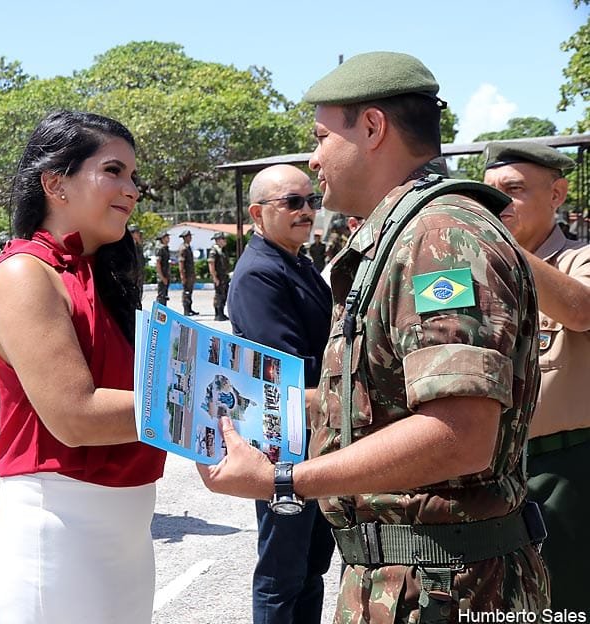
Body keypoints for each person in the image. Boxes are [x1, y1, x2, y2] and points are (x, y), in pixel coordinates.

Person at [198, 51, 548, 618]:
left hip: (447, 589)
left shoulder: (439, 237)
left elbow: (460, 433)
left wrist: (285, 480)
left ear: (372, 127)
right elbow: (373, 402)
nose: (314, 159)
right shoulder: (407, 234)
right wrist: (254, 400)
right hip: (417, 580)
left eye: (320, 136)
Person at [0, 110, 166, 623]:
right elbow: (76, 415)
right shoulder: (26, 273)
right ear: (55, 183)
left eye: (133, 176)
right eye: (114, 171)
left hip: (127, 532)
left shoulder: (98, 273)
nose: (131, 189)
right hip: (60, 534)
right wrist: (204, 401)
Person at [483, 141, 590, 610]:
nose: (498, 205)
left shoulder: (578, 259)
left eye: (514, 189)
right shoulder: (474, 274)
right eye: (487, 195)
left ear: (557, 193)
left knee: (566, 599)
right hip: (490, 471)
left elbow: (581, 309)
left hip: (564, 467)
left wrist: (498, 244)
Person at [228, 165, 334, 624]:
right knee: (281, 574)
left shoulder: (294, 262)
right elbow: (282, 365)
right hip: (284, 441)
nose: (306, 211)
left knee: (312, 564)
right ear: (258, 213)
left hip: (312, 434)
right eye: (292, 202)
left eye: (311, 201)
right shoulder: (259, 274)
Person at [207, 232, 231, 321]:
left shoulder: (222, 250)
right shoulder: (214, 251)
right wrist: (214, 277)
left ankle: (221, 313)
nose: (225, 240)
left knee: (224, 294)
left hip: (224, 277)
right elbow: (211, 264)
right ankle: (218, 314)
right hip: (219, 277)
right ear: (218, 240)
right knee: (219, 295)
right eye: (223, 239)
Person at [177, 230, 198, 316]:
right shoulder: (183, 248)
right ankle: (186, 309)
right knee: (186, 292)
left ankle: (189, 308)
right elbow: (181, 263)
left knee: (189, 291)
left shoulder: (188, 247)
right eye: (188, 236)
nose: (190, 238)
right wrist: (182, 275)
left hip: (190, 274)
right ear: (185, 238)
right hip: (186, 274)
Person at [129, 224, 146, 300]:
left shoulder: (138, 246)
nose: (140, 235)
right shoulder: (129, 247)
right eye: (137, 233)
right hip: (132, 278)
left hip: (139, 277)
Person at [155, 231, 171, 305]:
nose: (168, 239)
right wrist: (162, 277)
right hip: (162, 276)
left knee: (164, 297)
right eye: (166, 237)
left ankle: (163, 313)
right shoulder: (160, 249)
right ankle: (158, 315)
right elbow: (158, 264)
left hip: (166, 275)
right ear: (162, 239)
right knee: (161, 297)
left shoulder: (166, 248)